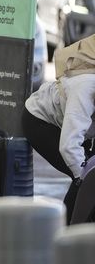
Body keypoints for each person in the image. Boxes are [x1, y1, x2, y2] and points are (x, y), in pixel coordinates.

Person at [22, 41, 95, 221]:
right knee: (85, 178)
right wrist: (84, 178)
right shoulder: (85, 90)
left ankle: (75, 225)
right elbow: (68, 146)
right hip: (40, 122)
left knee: (88, 174)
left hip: (75, 125)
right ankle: (71, 233)